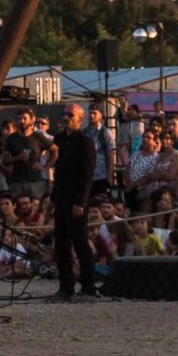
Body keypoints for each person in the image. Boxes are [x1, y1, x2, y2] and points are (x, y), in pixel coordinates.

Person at [50, 105, 100, 302]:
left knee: (80, 243)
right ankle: (66, 287)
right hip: (61, 197)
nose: (66, 118)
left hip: (75, 200)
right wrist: (53, 197)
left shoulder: (85, 143)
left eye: (71, 115)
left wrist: (81, 202)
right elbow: (59, 171)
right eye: (65, 114)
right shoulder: (60, 140)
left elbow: (87, 176)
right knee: (61, 243)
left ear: (80, 119)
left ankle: (88, 287)